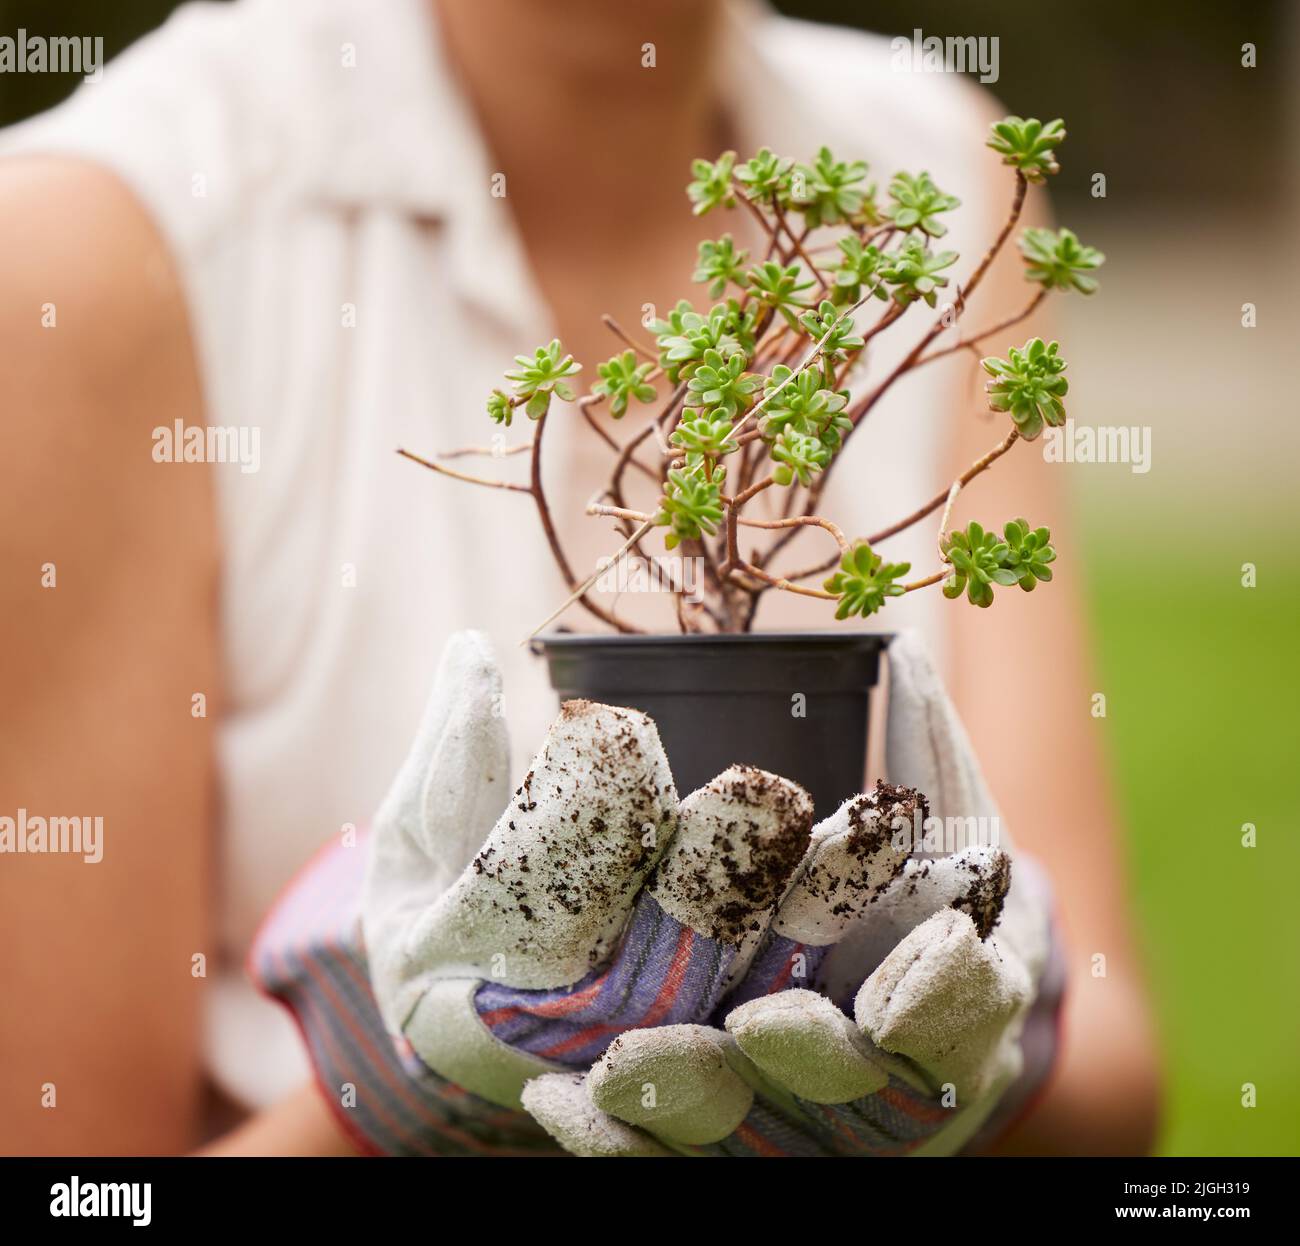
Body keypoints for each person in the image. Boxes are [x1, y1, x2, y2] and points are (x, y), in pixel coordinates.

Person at [0, 0, 1159, 1155]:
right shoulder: (99, 237)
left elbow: (1114, 1083)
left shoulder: (935, 167)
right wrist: (408, 1103)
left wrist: (992, 1032)